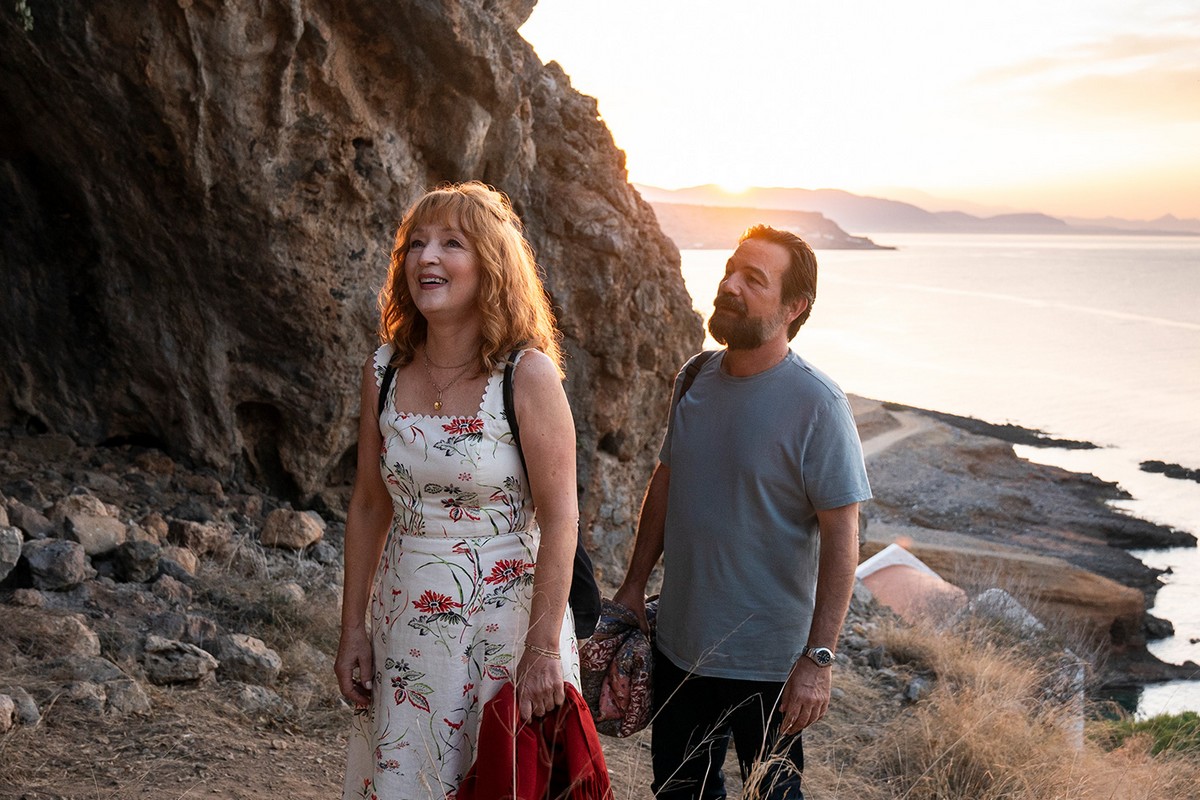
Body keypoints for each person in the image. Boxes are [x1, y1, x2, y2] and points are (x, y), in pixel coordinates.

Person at [336, 182, 581, 799]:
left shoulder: (526, 374)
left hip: (507, 631)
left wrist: (543, 647)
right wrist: (352, 628)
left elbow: (561, 518)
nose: (427, 257)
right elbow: (368, 504)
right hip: (406, 623)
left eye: (452, 243)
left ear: (491, 265)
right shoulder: (382, 370)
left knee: (501, 779)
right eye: (415, 244)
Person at [612, 225, 872, 800]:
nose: (730, 285)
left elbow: (843, 538)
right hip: (679, 647)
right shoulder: (693, 378)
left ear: (793, 307)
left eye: (754, 279)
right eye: (731, 269)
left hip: (770, 665)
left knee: (770, 793)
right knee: (679, 791)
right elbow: (667, 482)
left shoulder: (819, 404)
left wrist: (819, 660)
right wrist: (633, 584)